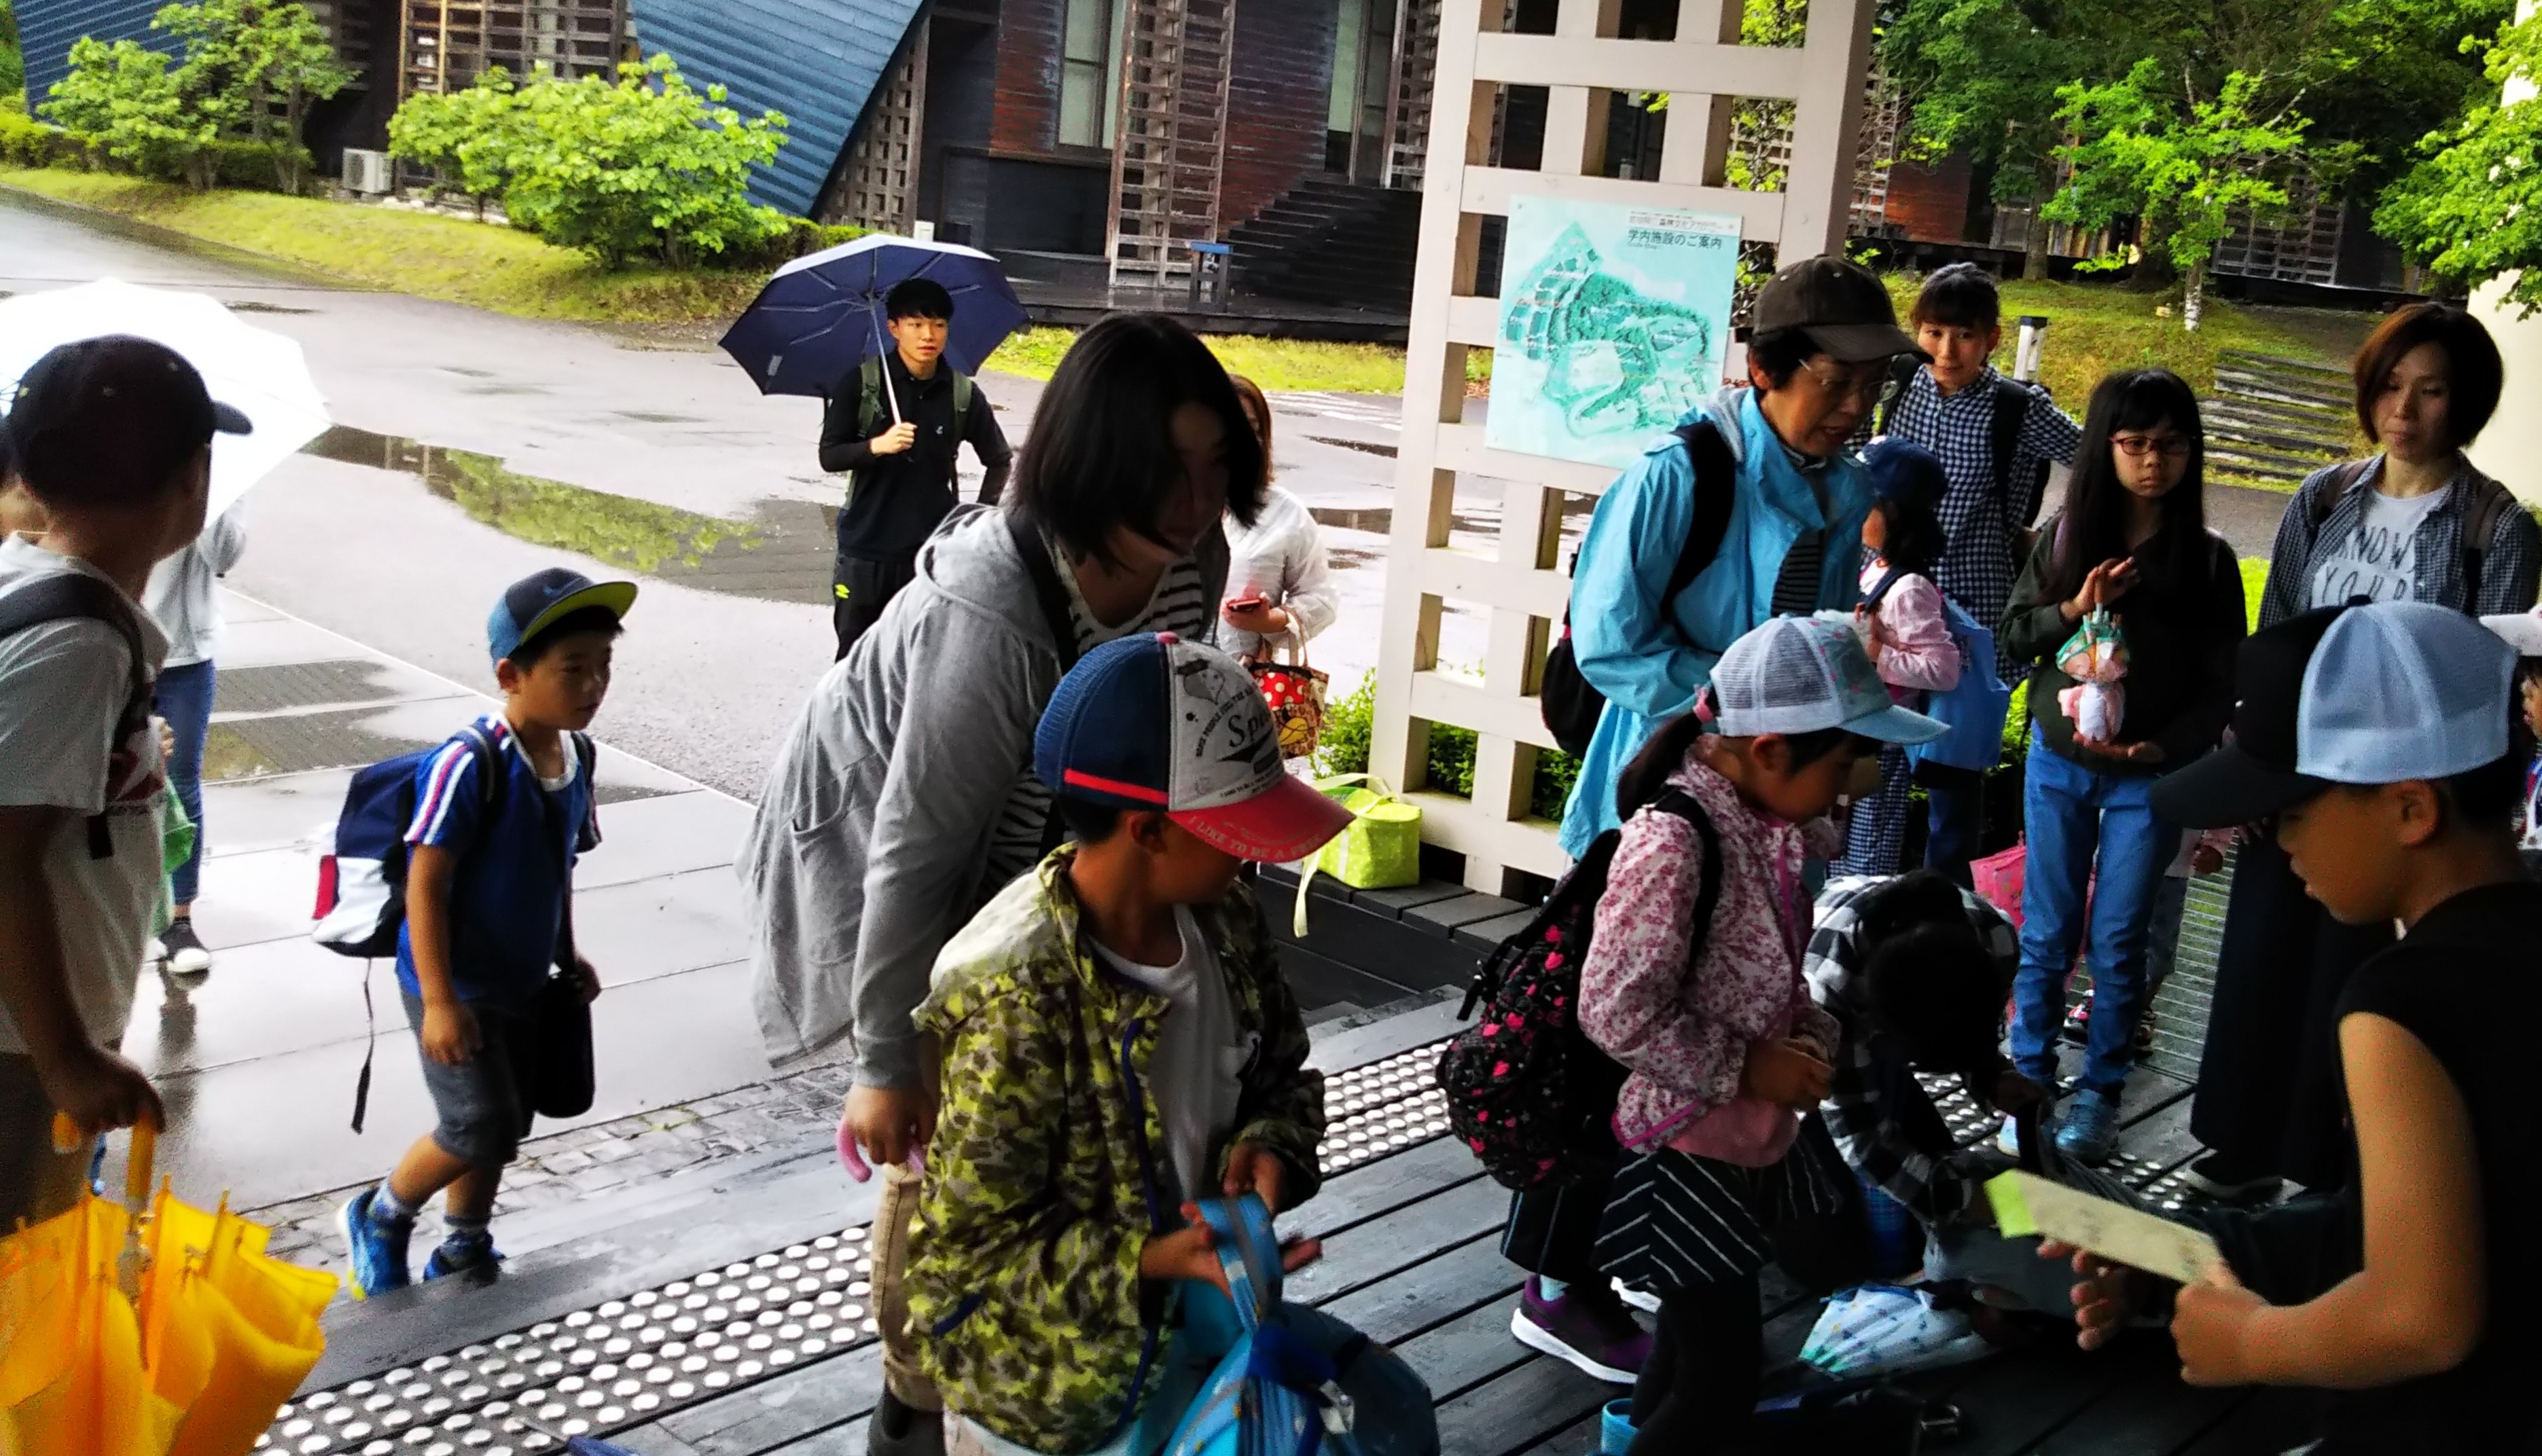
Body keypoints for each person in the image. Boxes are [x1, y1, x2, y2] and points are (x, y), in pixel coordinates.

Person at [742, 312, 1261, 1456]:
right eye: (1164, 469)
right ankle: (915, 1392)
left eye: (1214, 464)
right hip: (894, 837)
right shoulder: (994, 604)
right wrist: (886, 1063)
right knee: (939, 1130)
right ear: (1092, 460)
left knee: (1039, 1093)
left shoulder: (1194, 561)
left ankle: (1022, 1339)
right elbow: (916, 848)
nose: (1193, 502)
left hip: (1039, 847)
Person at [2060, 601, 2542, 1455]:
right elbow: (2412, 1222)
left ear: (2410, 808)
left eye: (2291, 811)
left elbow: (2421, 1317)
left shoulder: (2398, 1003)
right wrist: (2176, 1249)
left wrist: (2251, 1342)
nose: (2275, 842)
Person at [903, 632, 1346, 1456]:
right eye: (1235, 829)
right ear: (1148, 831)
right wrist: (1147, 1260)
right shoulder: (1017, 1001)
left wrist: (1270, 1141)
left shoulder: (1224, 919)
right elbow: (966, 1258)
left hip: (1196, 1348)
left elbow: (1283, 1073)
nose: (1250, 854)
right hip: (1053, 1402)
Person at [2190, 302, 2539, 1202]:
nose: (2404, 410)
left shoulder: (2494, 525)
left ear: (2465, 402)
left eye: (2431, 391)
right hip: (2297, 767)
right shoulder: (2324, 497)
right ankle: (2236, 1144)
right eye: (2390, 385)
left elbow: (2486, 672)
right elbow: (2276, 630)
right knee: (2259, 952)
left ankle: (2320, 1163)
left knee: (2354, 971)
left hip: (2400, 792)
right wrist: (2254, 758)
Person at [1581, 616, 1942, 1455]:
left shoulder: (1764, 826)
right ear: (1772, 750)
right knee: (1719, 1383)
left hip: (1734, 1139)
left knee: (1687, 1350)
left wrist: (1807, 1031)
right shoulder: (1675, 839)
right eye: (1844, 765)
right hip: (1681, 1143)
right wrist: (1750, 1065)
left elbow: (1767, 970)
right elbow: (1614, 1009)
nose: (1852, 789)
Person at [1557, 255, 1918, 860]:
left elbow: (1816, 640)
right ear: (1762, 369)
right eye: (1836, 382)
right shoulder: (1679, 475)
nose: (1856, 408)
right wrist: (1746, 704)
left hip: (1780, 788)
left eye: (1873, 384)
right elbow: (1612, 649)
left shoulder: (1847, 488)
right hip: (1668, 793)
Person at [0, 336, 243, 1227]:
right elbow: (4, 855)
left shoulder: (36, 582)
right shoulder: (79, 642)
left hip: (34, 1025)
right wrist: (66, 1057)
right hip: (21, 1041)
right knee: (24, 1269)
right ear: (192, 480)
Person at [337, 568, 627, 1295]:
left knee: (506, 1117)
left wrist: (567, 952)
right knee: (478, 1122)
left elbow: (557, 865)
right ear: (510, 675)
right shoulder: (470, 763)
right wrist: (439, 1001)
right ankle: (381, 1214)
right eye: (573, 668)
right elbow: (426, 884)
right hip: (455, 981)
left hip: (522, 977)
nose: (594, 684)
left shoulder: (577, 757)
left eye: (603, 665)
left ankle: (464, 1240)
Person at [1997, 369, 2243, 1165]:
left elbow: (2221, 684)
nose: (2152, 461)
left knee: (2120, 936)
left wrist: (2165, 748)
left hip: (2149, 776)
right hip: (2059, 760)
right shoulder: (2066, 536)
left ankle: (2099, 1093)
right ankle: (2028, 1079)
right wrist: (2073, 606)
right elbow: (2015, 636)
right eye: (2134, 443)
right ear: (2105, 448)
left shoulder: (2207, 561)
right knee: (2047, 929)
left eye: (2170, 445)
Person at [1806, 870, 2102, 1317]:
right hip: (1786, 1038)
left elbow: (1967, 1022)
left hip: (1890, 1000)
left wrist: (1990, 1075)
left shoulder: (1994, 939)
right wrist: (1977, 1203)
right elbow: (1864, 1141)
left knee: (1929, 1167)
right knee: (1823, 1256)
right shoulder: (1825, 996)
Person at [1877, 263, 2083, 870]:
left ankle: (1942, 903)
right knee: (1874, 766)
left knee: (1952, 774)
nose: (1947, 351)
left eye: (1964, 335)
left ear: (1991, 338)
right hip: (1886, 602)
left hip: (1969, 616)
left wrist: (2049, 540)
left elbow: (2097, 459)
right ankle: (1866, 892)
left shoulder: (2016, 407)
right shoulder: (1894, 385)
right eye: (1934, 333)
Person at [821, 277, 1015, 661]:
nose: (929, 335)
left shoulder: (961, 393)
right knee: (853, 657)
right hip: (866, 550)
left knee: (920, 658)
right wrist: (876, 446)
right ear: (894, 328)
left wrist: (976, 518)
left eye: (939, 325)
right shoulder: (861, 384)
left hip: (931, 554)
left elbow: (999, 459)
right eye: (916, 324)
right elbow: (830, 456)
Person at [1835, 437, 1962, 877]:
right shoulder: (1877, 568)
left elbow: (1943, 669)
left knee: (1867, 863)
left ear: (1894, 512)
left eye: (1867, 503)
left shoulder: (1910, 588)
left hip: (1882, 747)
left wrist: (1876, 651)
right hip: (1855, 734)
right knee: (1838, 853)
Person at [141, 503, 244, 979]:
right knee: (98, 778)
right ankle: (117, 905)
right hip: (114, 638)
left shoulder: (218, 478)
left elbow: (222, 555)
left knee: (180, 782)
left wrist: (208, 485)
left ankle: (178, 920)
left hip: (184, 654)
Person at [1217, 375, 1338, 659]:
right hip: (1161, 676)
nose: (1241, 440)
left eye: (1251, 428)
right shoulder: (1163, 505)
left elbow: (1322, 599)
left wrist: (1269, 621)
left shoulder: (1285, 514)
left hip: (1244, 678)